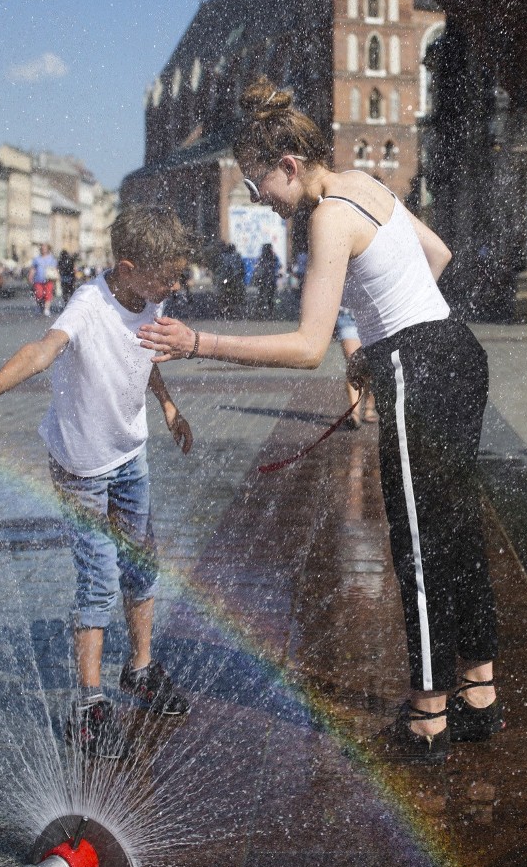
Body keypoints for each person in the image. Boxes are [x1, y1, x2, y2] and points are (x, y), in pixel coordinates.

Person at [143, 79, 501, 764]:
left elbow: (308, 347)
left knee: (418, 546)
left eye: (257, 187)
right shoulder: (365, 182)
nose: (261, 202)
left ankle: (428, 714)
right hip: (457, 353)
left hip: (415, 370)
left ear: (287, 166)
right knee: (457, 530)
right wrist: (381, 334)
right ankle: (479, 692)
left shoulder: (327, 217)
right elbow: (438, 256)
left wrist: (199, 343)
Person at [0, 205, 195, 759]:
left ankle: (142, 669)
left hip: (131, 455)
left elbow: (145, 356)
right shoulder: (88, 305)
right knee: (98, 575)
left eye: (175, 275)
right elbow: (42, 350)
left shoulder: (151, 297)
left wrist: (169, 406)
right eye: (165, 276)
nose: (173, 286)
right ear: (127, 267)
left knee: (140, 562)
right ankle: (89, 703)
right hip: (80, 465)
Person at [335, 306, 378, 428]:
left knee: (372, 365)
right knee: (354, 362)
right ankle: (355, 413)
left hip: (374, 318)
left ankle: (369, 407)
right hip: (348, 316)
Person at [252, 242, 281, 319]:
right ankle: (271, 313)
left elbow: (257, 268)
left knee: (261, 295)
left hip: (262, 279)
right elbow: (278, 267)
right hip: (271, 280)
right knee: (270, 297)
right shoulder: (274, 257)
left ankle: (258, 312)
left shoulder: (261, 257)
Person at [29, 243, 57, 316]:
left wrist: (57, 277)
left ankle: (46, 309)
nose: (43, 249)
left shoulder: (51, 258)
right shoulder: (37, 259)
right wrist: (30, 277)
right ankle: (40, 306)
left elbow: (54, 269)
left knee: (48, 294)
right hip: (38, 279)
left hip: (49, 279)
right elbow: (33, 269)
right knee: (39, 294)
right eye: (42, 248)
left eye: (45, 248)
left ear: (48, 249)